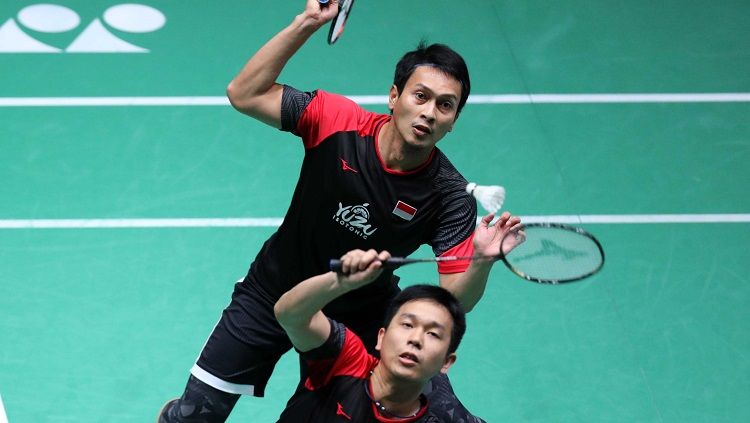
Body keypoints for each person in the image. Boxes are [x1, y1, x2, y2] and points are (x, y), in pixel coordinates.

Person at [158, 0, 523, 422]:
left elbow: (455, 298)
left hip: (363, 316)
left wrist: (482, 260)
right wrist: (307, 23)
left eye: (444, 105)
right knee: (191, 418)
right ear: (394, 96)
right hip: (273, 289)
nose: (427, 113)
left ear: (453, 120)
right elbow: (244, 94)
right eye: (420, 96)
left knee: (446, 415)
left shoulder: (450, 194)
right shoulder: (336, 120)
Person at [273, 248, 466, 422]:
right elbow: (289, 315)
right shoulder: (346, 361)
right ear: (381, 337)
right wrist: (340, 282)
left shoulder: (444, 418)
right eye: (407, 324)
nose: (415, 339)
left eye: (433, 333)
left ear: (446, 362)